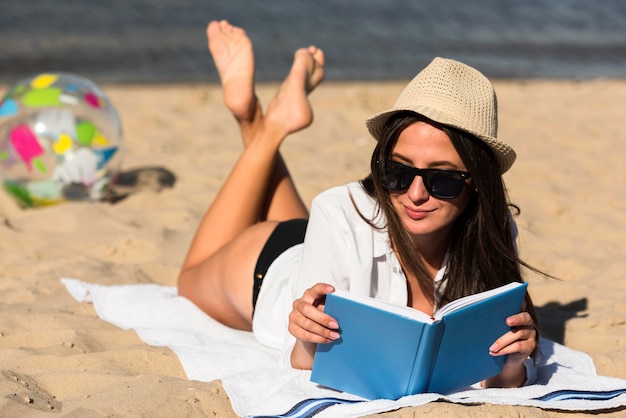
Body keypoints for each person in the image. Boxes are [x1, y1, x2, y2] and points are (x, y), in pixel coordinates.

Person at [178, 20, 539, 389]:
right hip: (266, 263)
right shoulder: (337, 210)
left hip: (330, 242)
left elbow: (505, 374)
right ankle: (257, 121)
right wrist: (306, 336)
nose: (415, 194)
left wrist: (512, 364)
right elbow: (300, 363)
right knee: (187, 282)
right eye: (398, 172)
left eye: (442, 180)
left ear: (478, 183)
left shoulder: (491, 230)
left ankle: (272, 118)